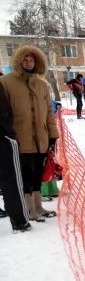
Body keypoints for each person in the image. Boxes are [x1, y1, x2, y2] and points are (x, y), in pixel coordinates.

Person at [0, 45, 60, 222]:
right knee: (25, 175)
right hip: (19, 138)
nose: (28, 63)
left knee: (37, 174)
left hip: (40, 138)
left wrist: (53, 135)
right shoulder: (6, 82)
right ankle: (28, 209)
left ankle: (38, 206)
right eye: (25, 59)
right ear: (19, 61)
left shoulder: (42, 84)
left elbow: (49, 112)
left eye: (31, 59)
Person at [0, 82, 31, 233]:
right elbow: (4, 112)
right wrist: (8, 134)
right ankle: (20, 221)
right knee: (12, 181)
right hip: (3, 140)